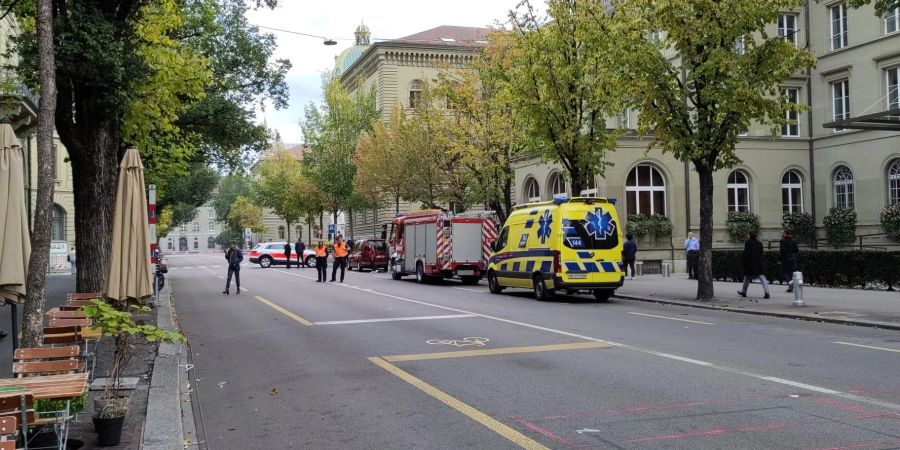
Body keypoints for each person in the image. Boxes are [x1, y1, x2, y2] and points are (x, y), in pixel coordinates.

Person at [737, 231, 770, 299]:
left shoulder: (748, 243)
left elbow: (746, 253)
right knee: (762, 277)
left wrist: (743, 261)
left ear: (749, 236)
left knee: (747, 277)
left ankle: (744, 292)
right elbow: (761, 253)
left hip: (750, 262)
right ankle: (767, 292)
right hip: (758, 262)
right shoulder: (760, 243)